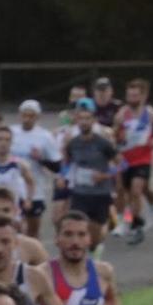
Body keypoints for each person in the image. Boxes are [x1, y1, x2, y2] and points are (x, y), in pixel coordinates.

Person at [60, 101, 120, 248]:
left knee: (96, 232)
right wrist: (62, 176)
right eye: (81, 119)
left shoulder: (103, 143)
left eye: (88, 119)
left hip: (100, 192)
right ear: (77, 121)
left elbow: (122, 165)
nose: (84, 122)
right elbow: (66, 162)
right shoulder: (73, 143)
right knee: (77, 225)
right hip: (80, 192)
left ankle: (99, 243)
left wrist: (104, 176)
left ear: (93, 121)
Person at [115, 79, 153, 242]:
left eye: (136, 95)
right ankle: (146, 209)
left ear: (143, 96)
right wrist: (119, 138)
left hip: (143, 159)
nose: (132, 98)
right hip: (126, 159)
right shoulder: (122, 114)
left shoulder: (151, 114)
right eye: (129, 95)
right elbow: (115, 135)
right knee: (132, 194)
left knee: (137, 190)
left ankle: (136, 224)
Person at [14, 99, 64, 240]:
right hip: (13, 188)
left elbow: (57, 166)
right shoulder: (12, 133)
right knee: (14, 229)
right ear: (20, 115)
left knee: (32, 231)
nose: (27, 119)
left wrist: (41, 158)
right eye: (24, 115)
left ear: (37, 117)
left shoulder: (45, 137)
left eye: (31, 116)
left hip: (36, 190)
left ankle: (35, 259)